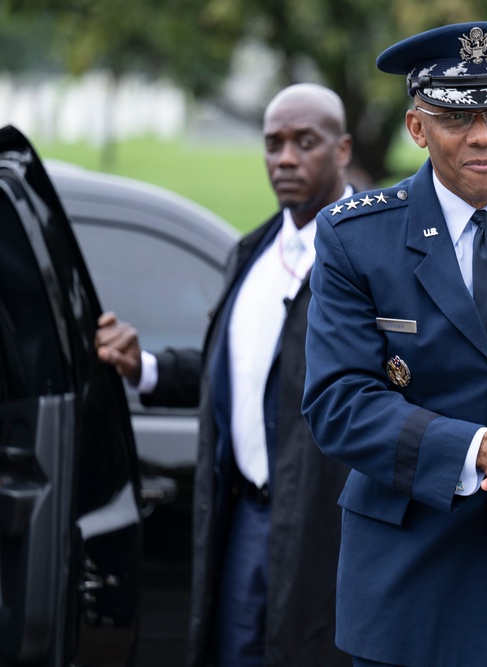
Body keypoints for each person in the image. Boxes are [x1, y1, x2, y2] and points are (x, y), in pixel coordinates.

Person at [300, 22, 487, 667]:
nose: (484, 135)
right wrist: (476, 449)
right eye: (459, 118)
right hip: (414, 582)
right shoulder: (357, 238)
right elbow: (339, 400)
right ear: (416, 128)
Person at [95, 83, 354, 667]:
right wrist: (148, 368)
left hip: (329, 524)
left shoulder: (374, 249)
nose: (285, 158)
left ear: (341, 150)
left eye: (304, 142)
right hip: (248, 517)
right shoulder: (253, 252)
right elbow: (243, 371)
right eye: (273, 143)